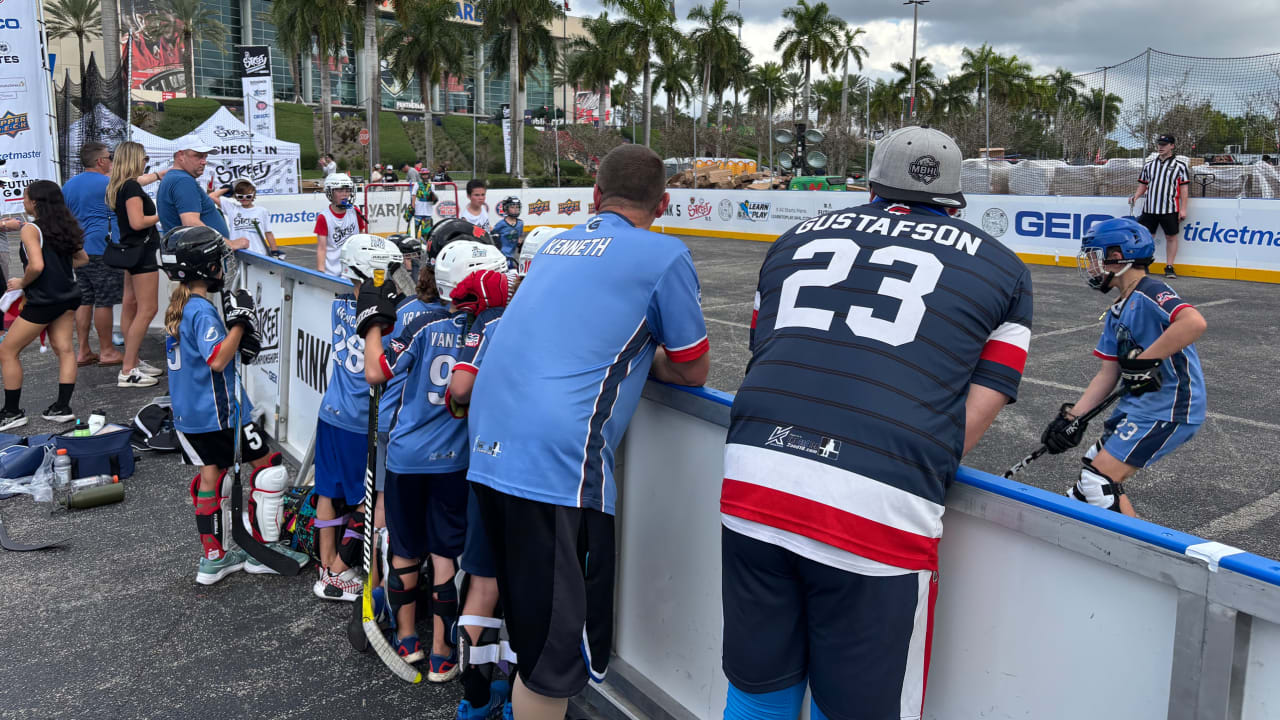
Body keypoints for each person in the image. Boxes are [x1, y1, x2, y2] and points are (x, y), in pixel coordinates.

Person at [718, 126, 1032, 720]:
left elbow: (767, 347)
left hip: (756, 467)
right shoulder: (1005, 268)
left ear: (870, 182)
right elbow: (985, 397)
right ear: (954, 196)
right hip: (877, 496)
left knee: (759, 690)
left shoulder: (794, 237)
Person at [465, 144, 710, 719]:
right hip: (557, 466)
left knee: (510, 611)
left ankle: (480, 702)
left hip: (489, 443)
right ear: (664, 203)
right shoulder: (664, 253)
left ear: (595, 197)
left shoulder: (553, 245)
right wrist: (644, 358)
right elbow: (694, 366)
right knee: (550, 661)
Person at [359, 239, 508, 681]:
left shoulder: (421, 324)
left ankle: (407, 641)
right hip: (457, 463)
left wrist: (371, 326)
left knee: (405, 550)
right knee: (447, 557)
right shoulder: (492, 326)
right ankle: (443, 650)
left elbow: (375, 372)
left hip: (407, 459)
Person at [159, 225, 309, 584]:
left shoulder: (179, 308)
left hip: (190, 414)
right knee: (269, 470)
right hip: (220, 413)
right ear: (206, 268)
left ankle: (214, 558)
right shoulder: (200, 311)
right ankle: (264, 551)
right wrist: (240, 324)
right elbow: (217, 360)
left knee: (210, 476)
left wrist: (238, 335)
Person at [1040, 217, 1206, 517]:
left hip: (1169, 407)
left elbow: (1193, 322)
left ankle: (1144, 557)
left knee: (1098, 481)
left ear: (1117, 258)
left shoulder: (1150, 291)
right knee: (1089, 479)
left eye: (1094, 257)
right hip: (1138, 408)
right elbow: (1108, 373)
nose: (1090, 266)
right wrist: (1072, 417)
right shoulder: (1117, 311)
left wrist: (1145, 360)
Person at [445, 261, 519, 719]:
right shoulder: (547, 319)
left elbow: (460, 388)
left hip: (489, 462)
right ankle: (516, 700)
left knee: (484, 584)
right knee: (527, 591)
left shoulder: (487, 322)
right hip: (540, 471)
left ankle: (473, 700)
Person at [310, 234, 395, 602]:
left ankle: (326, 561)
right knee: (365, 497)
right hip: (362, 420)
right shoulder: (386, 318)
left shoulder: (339, 305)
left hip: (331, 411)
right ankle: (342, 570)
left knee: (328, 489)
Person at [0, 181, 89, 430]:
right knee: (65, 350)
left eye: (25, 196)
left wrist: (21, 282)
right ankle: (62, 407)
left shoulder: (31, 229)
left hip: (44, 300)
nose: (23, 201)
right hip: (68, 296)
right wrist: (59, 269)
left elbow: (36, 266)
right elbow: (82, 259)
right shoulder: (67, 224)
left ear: (36, 202)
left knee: (7, 351)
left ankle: (12, 411)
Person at [108, 141, 172, 388]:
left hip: (130, 250)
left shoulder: (120, 184)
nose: (147, 161)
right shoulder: (131, 187)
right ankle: (128, 369)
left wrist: (159, 175)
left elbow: (140, 182)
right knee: (147, 309)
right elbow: (137, 222)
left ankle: (132, 360)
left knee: (130, 305)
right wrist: (164, 213)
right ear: (136, 159)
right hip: (141, 252)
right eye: (145, 158)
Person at [62, 142, 124, 367]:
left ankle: (84, 351)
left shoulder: (68, 186)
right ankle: (107, 351)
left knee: (85, 299)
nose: (111, 161)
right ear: (100, 161)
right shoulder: (108, 184)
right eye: (110, 157)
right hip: (103, 247)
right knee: (104, 301)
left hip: (79, 248)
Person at [1129, 133, 1189, 279]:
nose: (1160, 147)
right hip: (1150, 208)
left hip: (1169, 208)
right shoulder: (1149, 165)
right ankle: (1144, 263)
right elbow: (1143, 184)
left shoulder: (1180, 166)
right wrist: (1136, 196)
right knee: (1147, 236)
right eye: (1159, 144)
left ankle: (1169, 266)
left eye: (1164, 145)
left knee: (1171, 237)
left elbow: (1184, 189)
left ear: (1172, 146)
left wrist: (1183, 209)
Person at [314, 173, 366, 277]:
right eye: (340, 190)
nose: (345, 194)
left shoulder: (355, 212)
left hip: (354, 270)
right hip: (333, 273)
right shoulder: (324, 217)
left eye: (347, 190)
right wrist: (321, 271)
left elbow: (362, 237)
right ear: (330, 192)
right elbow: (321, 248)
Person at [216, 178, 282, 257]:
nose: (244, 198)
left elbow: (268, 233)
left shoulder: (262, 211)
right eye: (240, 196)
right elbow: (212, 196)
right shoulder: (232, 209)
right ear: (235, 196)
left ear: (253, 194)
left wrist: (275, 251)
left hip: (258, 253)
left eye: (248, 196)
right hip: (238, 253)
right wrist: (228, 188)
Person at [405, 174, 438, 240]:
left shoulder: (432, 185)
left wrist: (434, 199)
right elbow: (413, 195)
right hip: (418, 211)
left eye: (426, 175)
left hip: (428, 212)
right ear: (421, 176)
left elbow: (434, 198)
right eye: (423, 175)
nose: (425, 176)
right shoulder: (417, 184)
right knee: (412, 232)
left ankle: (424, 246)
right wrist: (413, 206)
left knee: (426, 233)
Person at [491, 196, 523, 263]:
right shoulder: (500, 224)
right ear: (506, 208)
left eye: (517, 207)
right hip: (501, 258)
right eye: (512, 207)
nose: (515, 209)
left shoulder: (520, 224)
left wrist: (520, 244)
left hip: (512, 257)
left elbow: (519, 238)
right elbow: (492, 239)